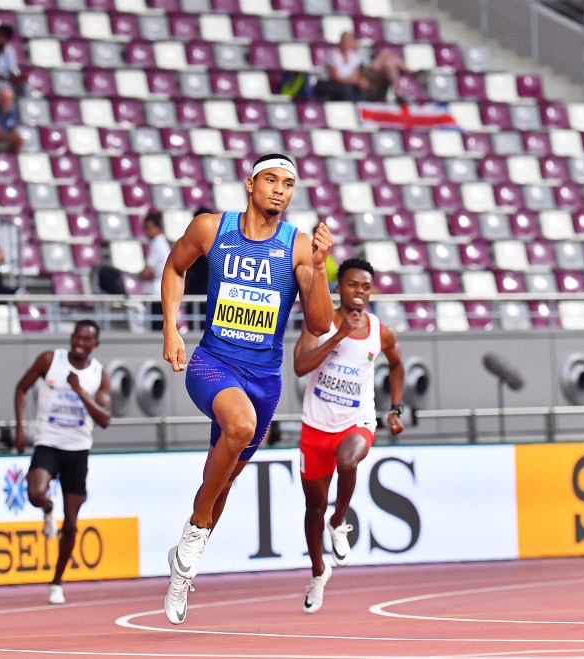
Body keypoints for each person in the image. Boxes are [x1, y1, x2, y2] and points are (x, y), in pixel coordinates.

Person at [159, 153, 335, 625]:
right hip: (213, 362)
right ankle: (194, 537)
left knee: (224, 481)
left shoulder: (297, 247)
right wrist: (171, 330)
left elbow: (320, 322)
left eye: (289, 184)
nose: (280, 189)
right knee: (240, 424)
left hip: (264, 380)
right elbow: (175, 268)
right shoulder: (212, 229)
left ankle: (181, 568)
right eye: (272, 180)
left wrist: (318, 268)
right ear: (250, 184)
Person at [294, 256, 405, 613]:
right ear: (338, 287)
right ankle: (317, 572)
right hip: (315, 426)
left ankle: (339, 520)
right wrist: (338, 336)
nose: (359, 293)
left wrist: (395, 409)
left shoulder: (380, 331)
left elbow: (397, 364)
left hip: (357, 421)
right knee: (313, 508)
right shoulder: (319, 322)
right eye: (353, 285)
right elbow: (299, 367)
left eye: (366, 287)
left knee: (348, 459)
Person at [13, 320, 111, 605]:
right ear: (71, 337)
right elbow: (21, 388)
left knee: (70, 525)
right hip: (48, 442)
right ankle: (47, 507)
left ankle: (56, 582)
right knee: (35, 494)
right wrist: (21, 429)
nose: (79, 342)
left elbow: (105, 419)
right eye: (76, 337)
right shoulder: (49, 360)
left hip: (77, 450)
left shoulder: (98, 375)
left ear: (95, 344)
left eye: (86, 339)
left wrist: (79, 391)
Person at [141, 212, 171, 330]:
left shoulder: (157, 244)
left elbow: (148, 272)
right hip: (161, 292)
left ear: (158, 227)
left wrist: (140, 275)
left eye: (149, 228)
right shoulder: (163, 244)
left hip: (155, 293)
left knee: (156, 328)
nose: (146, 232)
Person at [0, 25, 24, 96]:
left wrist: (17, 76)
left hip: (6, 80)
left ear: (7, 39)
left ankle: (22, 105)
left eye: (1, 36)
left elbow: (12, 69)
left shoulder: (10, 50)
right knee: (4, 88)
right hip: (1, 81)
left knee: (26, 87)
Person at [0, 84, 22, 153]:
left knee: (18, 140)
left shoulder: (12, 111)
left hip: (5, 136)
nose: (7, 102)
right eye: (4, 99)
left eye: (9, 100)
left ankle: (13, 160)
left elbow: (13, 129)